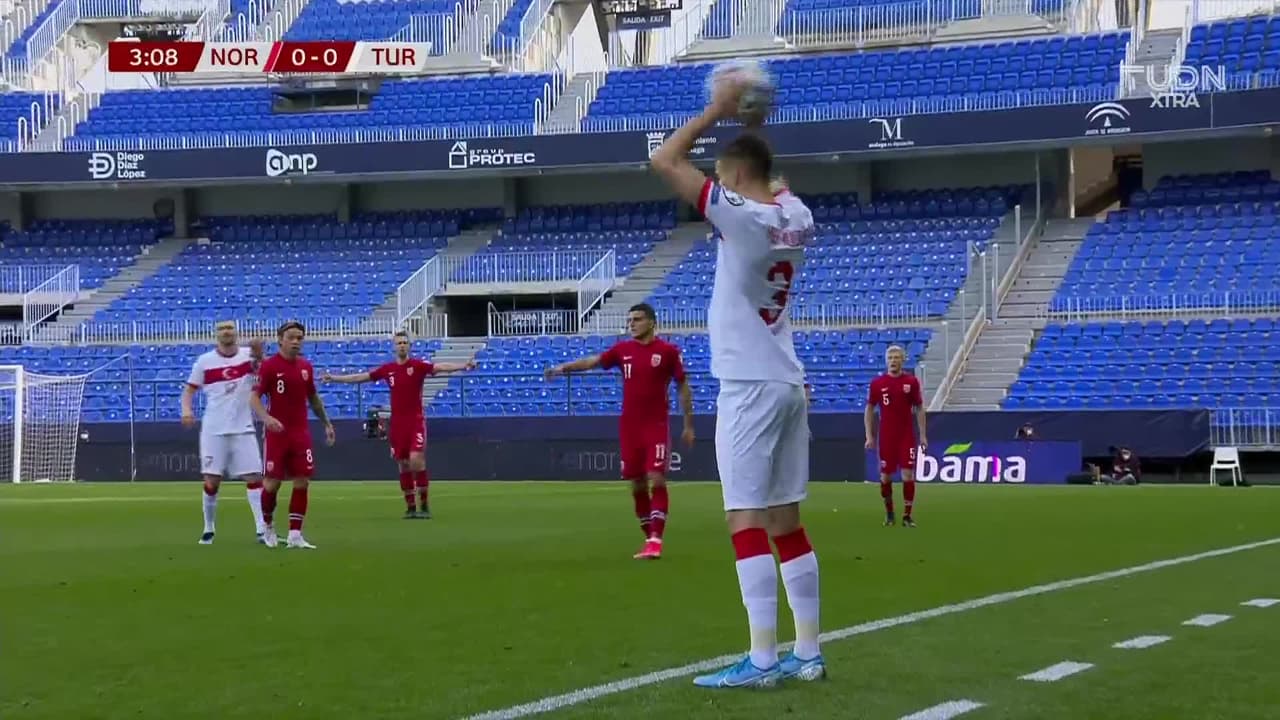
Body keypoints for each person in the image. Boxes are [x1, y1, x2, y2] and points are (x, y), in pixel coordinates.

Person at [649, 80, 823, 688]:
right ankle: (808, 652)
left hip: (748, 385)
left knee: (744, 518)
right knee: (786, 520)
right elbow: (775, 182)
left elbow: (664, 160)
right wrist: (754, 131)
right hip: (787, 381)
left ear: (735, 177)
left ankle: (763, 659)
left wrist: (717, 111)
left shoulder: (741, 216)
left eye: (723, 177)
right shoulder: (796, 216)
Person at [545, 303, 694, 560]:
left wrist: (688, 424)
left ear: (651, 322)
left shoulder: (668, 352)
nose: (631, 324)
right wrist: (562, 368)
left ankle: (656, 539)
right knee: (637, 483)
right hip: (630, 426)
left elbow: (683, 386)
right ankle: (649, 538)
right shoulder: (623, 350)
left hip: (656, 425)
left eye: (637, 319)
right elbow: (593, 361)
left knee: (656, 477)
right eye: (630, 320)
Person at [323, 331, 476, 519]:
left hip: (415, 421)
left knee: (416, 459)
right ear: (394, 346)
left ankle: (424, 504)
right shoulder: (388, 369)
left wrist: (463, 365)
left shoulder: (418, 366)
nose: (402, 345)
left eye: (405, 342)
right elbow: (361, 377)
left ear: (409, 346)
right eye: (399, 343)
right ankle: (411, 507)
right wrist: (335, 378)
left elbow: (440, 367)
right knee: (403, 464)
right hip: (397, 424)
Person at [181, 320, 268, 545]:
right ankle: (208, 528)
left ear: (236, 332)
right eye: (222, 329)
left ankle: (261, 529)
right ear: (216, 334)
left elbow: (265, 374)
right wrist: (186, 410)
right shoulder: (205, 361)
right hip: (214, 429)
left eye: (229, 328)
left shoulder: (248, 356)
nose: (226, 332)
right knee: (212, 481)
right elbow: (189, 390)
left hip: (243, 427)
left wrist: (260, 356)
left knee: (254, 477)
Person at [250, 321, 336, 549]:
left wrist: (326, 423)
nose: (296, 341)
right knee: (272, 484)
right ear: (280, 339)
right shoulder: (269, 366)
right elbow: (254, 398)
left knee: (302, 480)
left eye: (300, 337)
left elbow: (313, 399)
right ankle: (268, 526)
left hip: (300, 433)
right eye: (291, 337)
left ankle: (295, 534)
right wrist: (266, 418)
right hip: (277, 434)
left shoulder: (306, 367)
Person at [865, 345, 928, 527]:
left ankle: (907, 516)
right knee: (885, 476)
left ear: (903, 360)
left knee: (908, 474)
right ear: (886, 361)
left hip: (906, 435)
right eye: (890, 357)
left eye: (896, 357)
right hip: (887, 436)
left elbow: (919, 408)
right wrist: (869, 435)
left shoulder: (911, 382)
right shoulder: (878, 383)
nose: (893, 360)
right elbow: (869, 409)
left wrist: (923, 435)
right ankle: (889, 513)